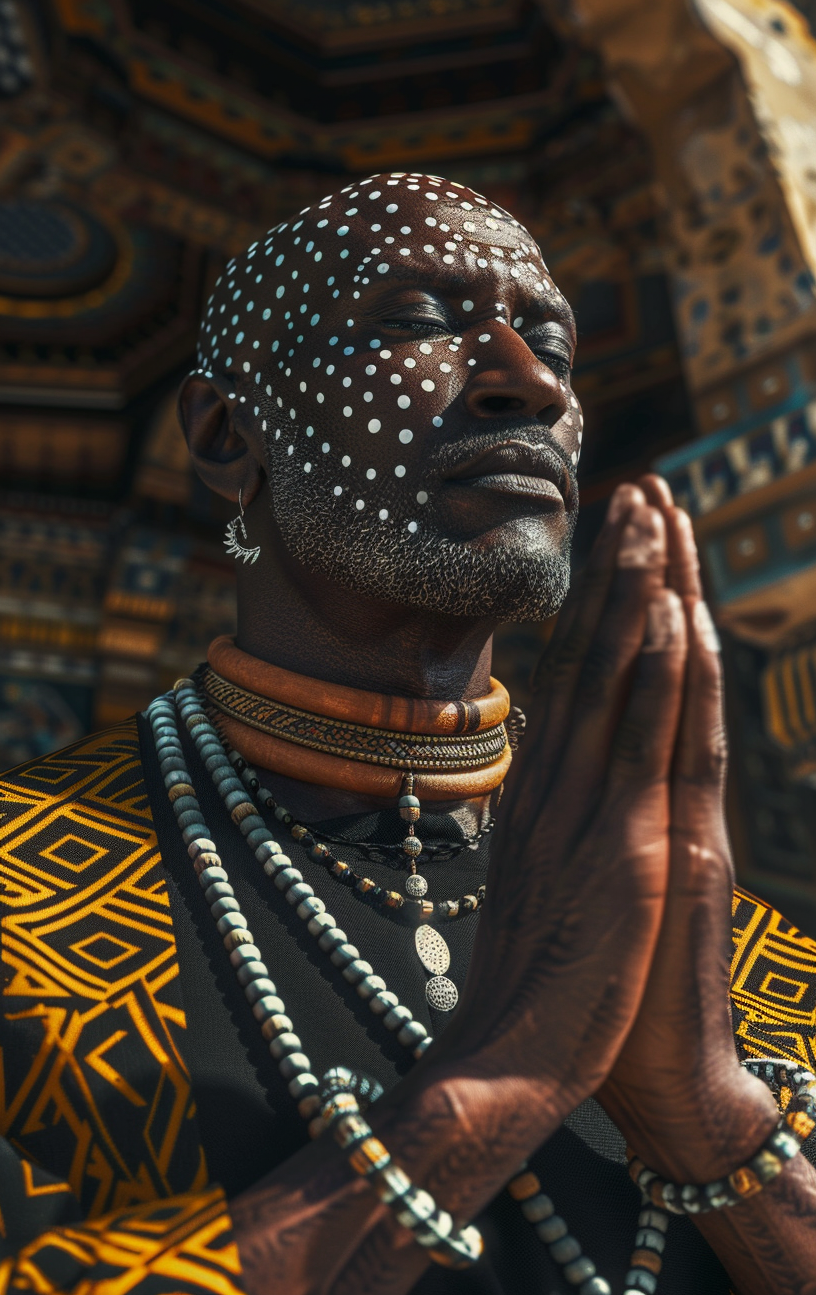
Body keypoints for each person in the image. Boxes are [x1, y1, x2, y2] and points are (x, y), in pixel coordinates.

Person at [2, 172, 815, 1295]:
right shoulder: (25, 898)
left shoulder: (732, 952)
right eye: (419, 323)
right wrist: (494, 1082)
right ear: (230, 436)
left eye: (552, 345)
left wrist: (717, 1120)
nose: (526, 385)